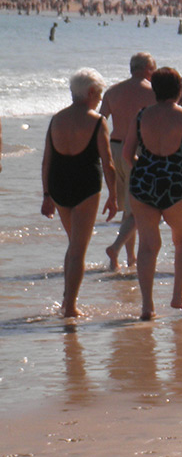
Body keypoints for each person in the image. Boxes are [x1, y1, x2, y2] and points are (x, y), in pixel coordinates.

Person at [122, 67, 182, 320]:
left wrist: (144, 170)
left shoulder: (140, 116)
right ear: (179, 91)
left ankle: (147, 306)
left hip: (143, 184)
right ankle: (177, 296)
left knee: (148, 246)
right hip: (176, 184)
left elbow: (127, 154)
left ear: (154, 91)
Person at [41, 68, 117, 318]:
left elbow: (47, 161)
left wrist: (46, 195)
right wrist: (113, 196)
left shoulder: (57, 119)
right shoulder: (97, 121)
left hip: (58, 185)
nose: (100, 99)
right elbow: (108, 162)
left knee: (74, 245)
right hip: (86, 186)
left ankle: (66, 298)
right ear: (92, 93)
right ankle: (70, 306)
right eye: (100, 94)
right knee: (78, 249)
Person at [99, 52, 156, 270]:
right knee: (138, 207)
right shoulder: (153, 92)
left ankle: (130, 257)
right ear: (148, 70)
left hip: (114, 147)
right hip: (138, 151)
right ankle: (115, 248)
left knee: (127, 207)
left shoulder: (113, 91)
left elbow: (100, 121)